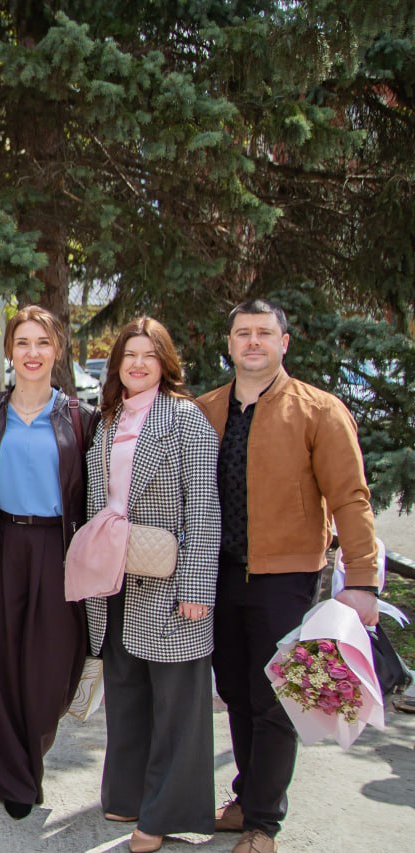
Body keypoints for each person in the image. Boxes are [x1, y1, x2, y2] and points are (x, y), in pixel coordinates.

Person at [196, 300, 379, 853]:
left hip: (287, 578)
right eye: (242, 333)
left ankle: (263, 824)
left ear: (284, 343)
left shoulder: (319, 410)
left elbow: (350, 497)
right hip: (220, 575)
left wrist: (363, 579)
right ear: (229, 344)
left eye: (263, 333)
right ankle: (246, 797)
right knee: (235, 690)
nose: (253, 342)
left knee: (273, 697)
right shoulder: (206, 410)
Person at [82, 317, 220, 853]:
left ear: (165, 363)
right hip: (117, 577)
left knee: (176, 706)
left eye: (149, 355)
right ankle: (128, 794)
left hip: (170, 578)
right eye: (129, 355)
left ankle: (164, 814)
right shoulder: (109, 418)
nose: (138, 364)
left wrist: (197, 588)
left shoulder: (185, 418)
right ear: (117, 363)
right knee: (126, 692)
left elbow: (204, 509)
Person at [0, 305, 96, 820]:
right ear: (9, 351)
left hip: (58, 549)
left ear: (57, 350)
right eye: (22, 342)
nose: (33, 352)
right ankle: (12, 775)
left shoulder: (81, 417)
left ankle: (24, 756)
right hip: (1, 545)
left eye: (42, 342)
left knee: (50, 670)